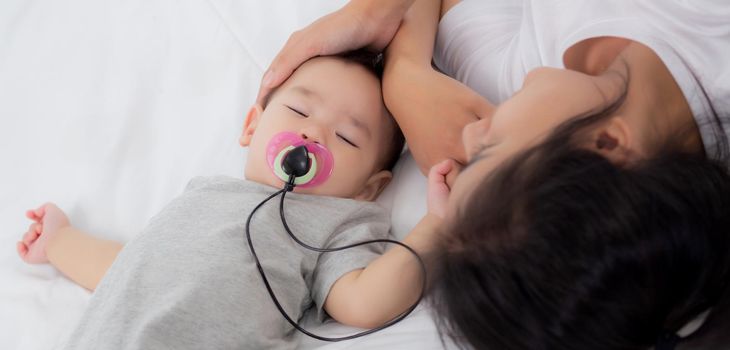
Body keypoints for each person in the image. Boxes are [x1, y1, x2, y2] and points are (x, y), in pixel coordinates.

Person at [258, 0, 730, 349]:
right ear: (604, 144)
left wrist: (405, 77)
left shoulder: (510, 76)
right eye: (488, 151)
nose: (465, 138)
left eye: (467, 166)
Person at [16, 51, 452, 349]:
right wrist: (60, 241)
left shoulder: (334, 221)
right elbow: (130, 266)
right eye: (299, 112)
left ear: (369, 189)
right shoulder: (204, 193)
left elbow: (363, 302)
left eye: (345, 137)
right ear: (251, 127)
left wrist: (438, 222)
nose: (313, 133)